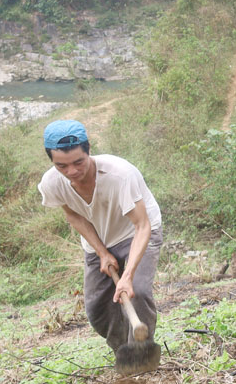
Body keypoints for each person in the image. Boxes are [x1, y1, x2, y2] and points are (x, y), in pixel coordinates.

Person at [37, 120, 163, 359]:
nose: (72, 172)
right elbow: (73, 215)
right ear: (52, 162)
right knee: (97, 309)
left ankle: (141, 357)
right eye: (62, 166)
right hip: (99, 240)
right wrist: (102, 252)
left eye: (78, 162)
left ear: (89, 150)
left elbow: (142, 225)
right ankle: (124, 352)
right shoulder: (52, 183)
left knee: (139, 292)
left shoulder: (120, 175)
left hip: (134, 232)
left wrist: (126, 277)